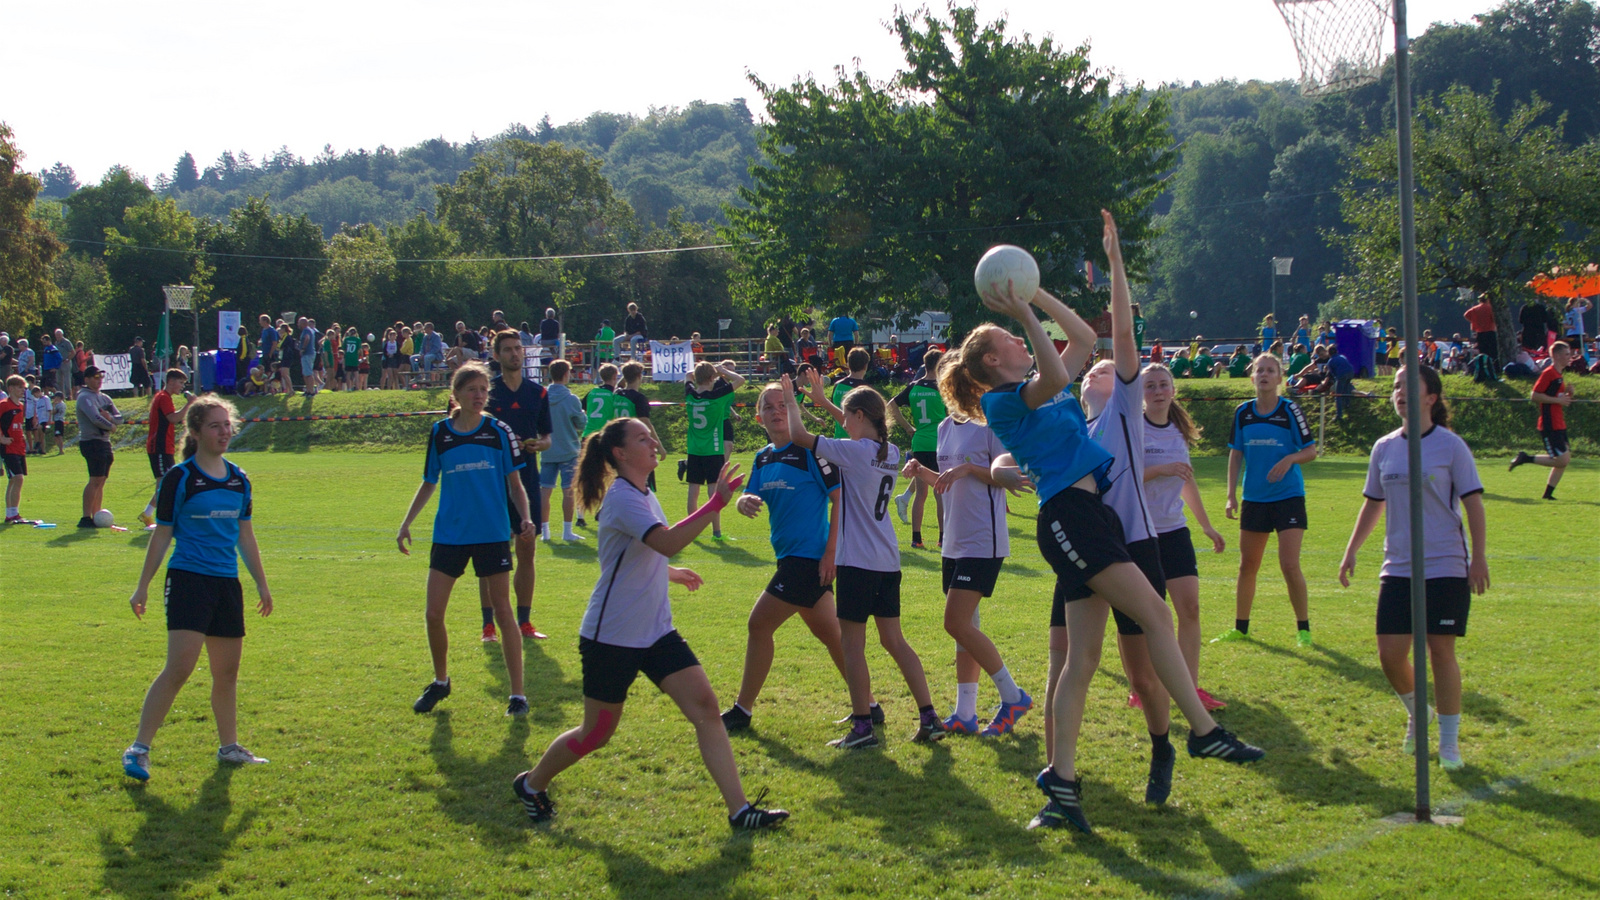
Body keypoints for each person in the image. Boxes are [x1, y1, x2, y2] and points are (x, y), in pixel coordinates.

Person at [943, 210, 1262, 833]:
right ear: (990, 364)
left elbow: (1085, 343)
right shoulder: (1009, 398)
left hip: (1087, 519)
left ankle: (1060, 784)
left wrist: (1035, 295)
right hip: (1070, 519)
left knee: (1081, 661)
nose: (1017, 341)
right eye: (1005, 340)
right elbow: (1060, 369)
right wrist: (1023, 314)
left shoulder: (1042, 386)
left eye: (1013, 335)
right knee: (1156, 615)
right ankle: (1203, 732)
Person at [511, 417, 790, 830]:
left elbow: (646, 551)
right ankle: (532, 784)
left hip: (656, 632)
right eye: (643, 438)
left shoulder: (644, 493)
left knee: (707, 708)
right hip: (612, 636)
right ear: (620, 454)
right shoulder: (623, 497)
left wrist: (670, 572)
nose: (653, 442)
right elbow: (665, 540)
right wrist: (714, 505)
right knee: (597, 732)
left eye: (652, 435)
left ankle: (740, 810)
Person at [1339, 365, 1488, 770]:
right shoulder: (1384, 447)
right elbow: (1373, 502)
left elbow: (1473, 503)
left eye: (1408, 385)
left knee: (1440, 651)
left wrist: (1479, 557)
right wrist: (1351, 550)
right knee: (1390, 655)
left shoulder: (1450, 446)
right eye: (1394, 386)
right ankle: (1418, 712)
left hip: (1444, 564)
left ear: (1431, 397)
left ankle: (1450, 744)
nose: (1399, 392)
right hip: (1398, 566)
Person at [789, 368, 947, 749]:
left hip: (858, 562)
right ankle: (929, 716)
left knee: (852, 646)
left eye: (848, 416)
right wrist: (824, 401)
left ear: (860, 417)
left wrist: (791, 398)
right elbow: (851, 430)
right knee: (894, 640)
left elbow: (798, 437)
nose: (844, 423)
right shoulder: (888, 450)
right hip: (887, 561)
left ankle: (863, 727)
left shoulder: (856, 451)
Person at [121, 395, 274, 780]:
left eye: (227, 425)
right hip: (189, 579)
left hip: (226, 583)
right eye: (215, 426)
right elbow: (161, 536)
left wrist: (261, 583)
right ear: (195, 432)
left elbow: (246, 537)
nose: (224, 432)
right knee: (180, 668)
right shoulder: (181, 477)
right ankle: (138, 749)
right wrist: (143, 587)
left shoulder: (240, 479)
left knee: (227, 673)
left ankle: (229, 747)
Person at [722, 383, 863, 732]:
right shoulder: (763, 456)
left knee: (759, 624)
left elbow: (839, 500)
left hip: (808, 559)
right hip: (788, 558)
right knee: (831, 635)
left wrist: (831, 553)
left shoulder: (810, 451)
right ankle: (869, 705)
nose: (776, 411)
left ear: (794, 411)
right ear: (759, 417)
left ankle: (743, 709)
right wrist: (742, 502)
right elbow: (749, 495)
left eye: (783, 404)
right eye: (768, 407)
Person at [397, 363, 536, 717]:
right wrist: (406, 523)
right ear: (456, 394)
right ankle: (441, 682)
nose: (479, 396)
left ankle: (517, 695)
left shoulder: (498, 431)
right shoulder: (440, 433)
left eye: (483, 390)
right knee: (433, 614)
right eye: (472, 389)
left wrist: (525, 517)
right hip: (450, 535)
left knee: (503, 612)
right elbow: (429, 481)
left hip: (491, 533)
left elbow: (515, 485)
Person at [900, 411, 1035, 736]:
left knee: (955, 623)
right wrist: (922, 472)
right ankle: (965, 713)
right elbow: (947, 481)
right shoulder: (945, 427)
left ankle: (1013, 697)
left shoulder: (990, 424)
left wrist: (969, 468)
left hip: (982, 539)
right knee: (965, 627)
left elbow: (1005, 474)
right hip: (953, 541)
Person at [1215, 353, 1318, 647]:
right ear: (1252, 377)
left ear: (1279, 378)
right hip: (1254, 499)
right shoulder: (1243, 412)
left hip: (1288, 497)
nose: (1264, 375)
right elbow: (1236, 454)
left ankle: (1303, 629)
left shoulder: (1290, 410)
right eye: (1259, 370)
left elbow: (1310, 451)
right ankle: (1241, 628)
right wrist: (1231, 495)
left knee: (1289, 564)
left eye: (1270, 370)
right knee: (1248, 565)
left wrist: (1289, 459)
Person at [1141, 364, 1227, 710]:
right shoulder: (1133, 427)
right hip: (1140, 533)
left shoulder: (1178, 430)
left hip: (1175, 530)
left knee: (1189, 608)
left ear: (1173, 390)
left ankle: (1190, 688)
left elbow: (1186, 479)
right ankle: (1144, 684)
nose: (1159, 391)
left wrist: (1206, 525)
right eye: (1151, 386)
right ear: (1141, 394)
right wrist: (1160, 469)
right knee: (1147, 615)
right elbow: (1121, 475)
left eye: (1164, 385)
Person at [484, 333, 554, 643]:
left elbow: (548, 437)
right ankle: (489, 626)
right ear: (496, 355)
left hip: (527, 481)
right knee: (494, 554)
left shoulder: (537, 393)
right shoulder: (486, 392)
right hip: (493, 484)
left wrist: (540, 444)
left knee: (527, 550)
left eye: (518, 349)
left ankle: (524, 621)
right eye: (508, 350)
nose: (515, 354)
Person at [889, 348, 947, 549]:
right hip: (939, 443)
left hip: (920, 441)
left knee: (920, 493)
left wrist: (908, 428)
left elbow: (891, 405)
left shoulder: (913, 386)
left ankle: (916, 538)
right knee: (941, 492)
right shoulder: (942, 387)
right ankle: (942, 538)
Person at [1508, 340, 1574, 500]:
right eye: (1566, 354)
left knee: (1563, 460)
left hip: (1559, 422)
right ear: (1557, 356)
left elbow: (1554, 397)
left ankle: (1548, 494)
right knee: (1561, 460)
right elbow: (1535, 395)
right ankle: (1526, 458)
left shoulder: (1558, 375)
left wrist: (1568, 395)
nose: (1570, 357)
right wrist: (1559, 400)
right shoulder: (1549, 373)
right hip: (1550, 423)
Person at [138, 369, 192, 529]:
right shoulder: (163, 397)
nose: (182, 386)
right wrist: (189, 404)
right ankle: (157, 517)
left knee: (166, 483)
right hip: (159, 446)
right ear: (170, 382)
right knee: (165, 483)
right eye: (180, 383)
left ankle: (149, 514)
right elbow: (173, 418)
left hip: (164, 446)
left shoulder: (165, 397)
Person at [539, 360, 587, 541]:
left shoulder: (541, 397)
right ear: (566, 374)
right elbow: (582, 423)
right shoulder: (571, 399)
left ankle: (545, 532)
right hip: (568, 449)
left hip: (548, 449)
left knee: (545, 490)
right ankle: (567, 531)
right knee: (568, 490)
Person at [75, 365, 124, 528]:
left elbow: (119, 417)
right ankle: (85, 517)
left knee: (102, 480)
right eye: (95, 378)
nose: (99, 381)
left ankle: (97, 515)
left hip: (105, 443)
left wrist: (110, 419)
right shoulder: (84, 397)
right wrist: (110, 426)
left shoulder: (105, 398)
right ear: (87, 379)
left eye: (100, 378)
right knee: (94, 479)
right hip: (91, 442)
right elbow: (95, 418)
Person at [825, 349, 873, 440]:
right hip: (857, 441)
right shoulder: (865, 389)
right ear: (865, 366)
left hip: (838, 439)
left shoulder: (838, 385)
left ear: (848, 364)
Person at [2, 375, 29, 523]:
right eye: (19, 388)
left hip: (19, 448)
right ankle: (11, 514)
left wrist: (22, 436)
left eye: (23, 388)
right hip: (8, 448)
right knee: (17, 478)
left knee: (15, 480)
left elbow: (17, 425)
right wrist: (2, 438)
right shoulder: (4, 405)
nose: (22, 391)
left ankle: (12, 514)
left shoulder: (20, 406)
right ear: (11, 388)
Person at [1463, 293, 1498, 367]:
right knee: (1493, 352)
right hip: (1490, 332)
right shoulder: (1490, 308)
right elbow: (1495, 319)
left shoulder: (1475, 309)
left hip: (1480, 333)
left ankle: (1483, 367)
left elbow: (1466, 315)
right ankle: (1493, 367)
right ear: (1488, 300)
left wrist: (1474, 321)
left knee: (1482, 352)